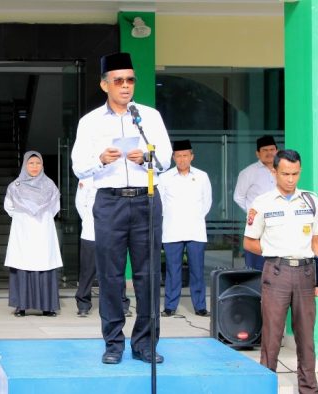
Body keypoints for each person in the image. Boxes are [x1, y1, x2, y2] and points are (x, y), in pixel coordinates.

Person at [71, 52, 172, 365]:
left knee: (147, 274)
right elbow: (78, 166)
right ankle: (113, 343)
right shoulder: (89, 123)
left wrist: (146, 157)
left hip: (146, 199)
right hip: (110, 202)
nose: (126, 86)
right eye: (119, 81)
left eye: (130, 80)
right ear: (105, 85)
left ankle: (145, 344)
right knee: (111, 276)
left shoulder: (149, 117)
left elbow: (165, 158)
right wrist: (101, 159)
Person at [243, 149, 318, 394]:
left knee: (306, 338)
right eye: (285, 174)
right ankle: (266, 387)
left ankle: (309, 389)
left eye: (295, 174)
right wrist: (273, 249)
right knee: (271, 337)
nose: (291, 179)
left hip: (306, 274)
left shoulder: (311, 200)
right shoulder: (262, 203)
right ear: (274, 172)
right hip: (276, 272)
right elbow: (248, 242)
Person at [158, 139, 212, 318]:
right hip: (172, 229)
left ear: (192, 156)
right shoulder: (165, 177)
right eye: (178, 156)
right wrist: (174, 216)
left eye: (185, 156)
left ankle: (200, 306)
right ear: (174, 157)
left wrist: (195, 216)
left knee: (197, 270)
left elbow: (207, 202)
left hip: (195, 229)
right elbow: (162, 204)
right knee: (173, 270)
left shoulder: (202, 176)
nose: (182, 159)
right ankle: (170, 306)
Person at [4, 151, 62, 317]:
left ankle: (47, 306)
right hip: (22, 230)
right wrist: (25, 216)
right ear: (25, 165)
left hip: (43, 229)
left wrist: (39, 216)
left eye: (38, 163)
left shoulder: (50, 185)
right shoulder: (15, 186)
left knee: (44, 264)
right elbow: (9, 207)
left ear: (42, 165)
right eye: (31, 163)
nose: (34, 167)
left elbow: (54, 208)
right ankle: (21, 306)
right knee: (23, 264)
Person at [74, 176, 131, 318]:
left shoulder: (117, 177)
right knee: (88, 271)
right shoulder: (86, 178)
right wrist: (89, 220)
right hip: (90, 231)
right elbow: (80, 204)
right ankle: (83, 304)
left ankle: (121, 303)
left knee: (117, 270)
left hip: (114, 230)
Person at [233, 135, 278, 271]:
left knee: (278, 264)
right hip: (257, 225)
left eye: (272, 149)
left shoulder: (283, 171)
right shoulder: (248, 172)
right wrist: (253, 213)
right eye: (265, 150)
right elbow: (238, 197)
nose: (269, 153)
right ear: (257, 153)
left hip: (279, 223)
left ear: (277, 151)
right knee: (256, 266)